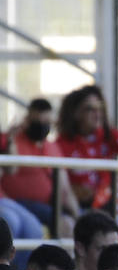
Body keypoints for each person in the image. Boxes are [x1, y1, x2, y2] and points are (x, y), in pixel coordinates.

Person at [55, 85, 118, 214]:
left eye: (100, 109)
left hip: (109, 204)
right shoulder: (61, 143)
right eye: (90, 109)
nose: (97, 114)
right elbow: (55, 183)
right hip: (76, 207)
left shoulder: (109, 135)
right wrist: (75, 190)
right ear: (75, 113)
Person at [3, 97, 71, 236]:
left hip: (49, 205)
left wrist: (76, 213)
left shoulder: (52, 146)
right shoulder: (12, 140)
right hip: (18, 202)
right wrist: (10, 141)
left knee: (75, 221)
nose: (41, 126)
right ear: (27, 119)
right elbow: (11, 169)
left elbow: (65, 187)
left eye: (46, 122)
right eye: (37, 122)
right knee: (39, 227)